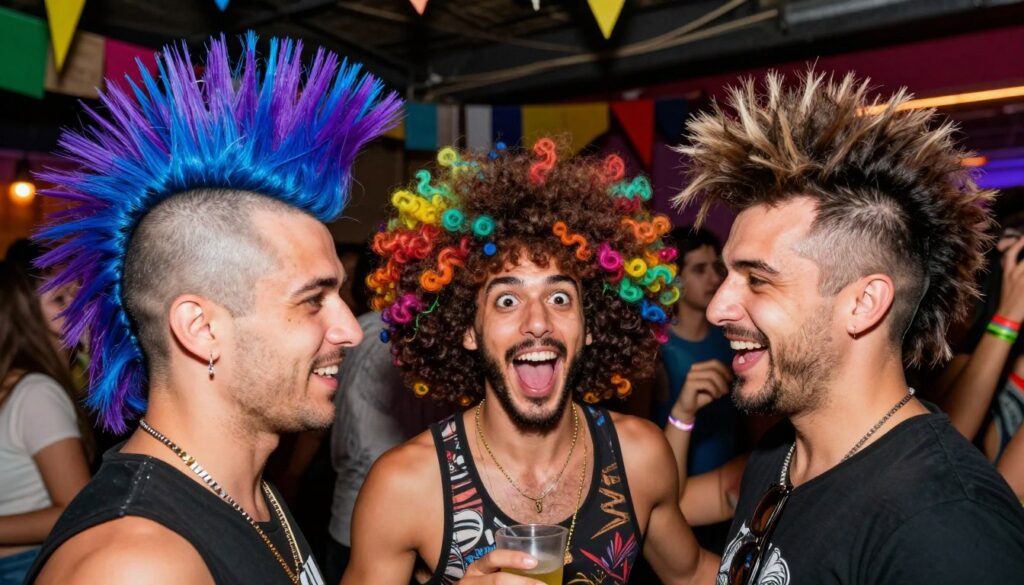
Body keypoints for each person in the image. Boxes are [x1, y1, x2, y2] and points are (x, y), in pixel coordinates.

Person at [24, 35, 400, 585]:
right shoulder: (138, 565)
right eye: (313, 300)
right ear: (201, 330)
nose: (348, 329)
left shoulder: (243, 489)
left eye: (340, 296)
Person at [673, 70, 1024, 584]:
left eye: (758, 279)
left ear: (863, 303)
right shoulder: (780, 456)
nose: (719, 307)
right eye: (727, 274)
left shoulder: (945, 525)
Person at [344, 139, 719, 584]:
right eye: (506, 300)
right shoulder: (405, 485)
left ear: (591, 325)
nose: (537, 322)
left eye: (560, 297)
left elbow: (692, 573)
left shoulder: (640, 456)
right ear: (467, 329)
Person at [0, 262, 91, 585]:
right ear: (24, 315)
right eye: (60, 300)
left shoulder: (20, 383)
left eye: (77, 296)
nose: (78, 307)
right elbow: (75, 510)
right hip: (24, 566)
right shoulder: (38, 392)